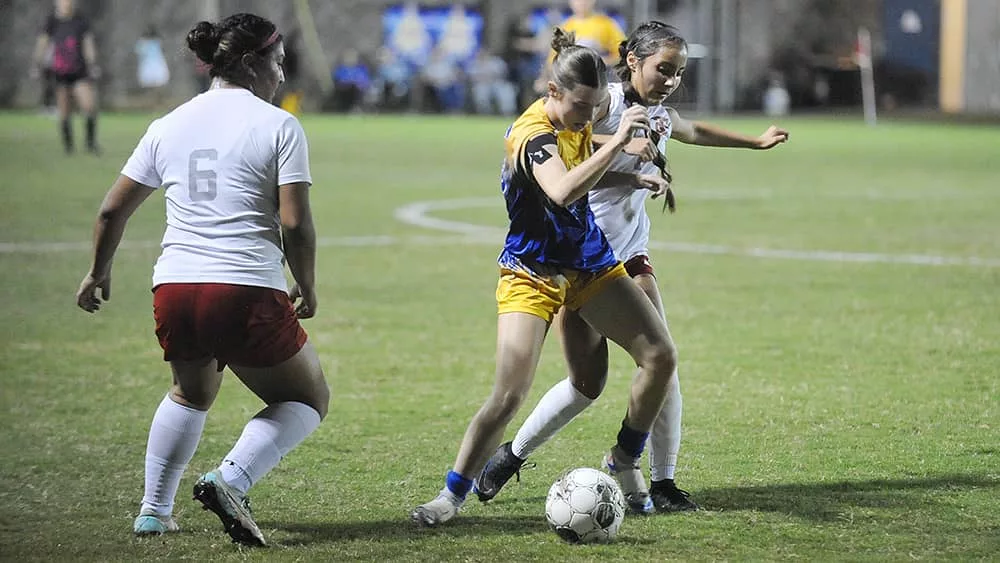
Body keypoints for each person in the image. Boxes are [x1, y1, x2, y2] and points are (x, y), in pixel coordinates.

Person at [475, 21, 790, 513]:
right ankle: (512, 455)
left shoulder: (660, 114)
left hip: (629, 256)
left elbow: (692, 130)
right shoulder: (603, 105)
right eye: (663, 69)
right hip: (582, 258)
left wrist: (753, 141)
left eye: (679, 73)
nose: (670, 81)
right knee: (585, 385)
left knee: (663, 361)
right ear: (634, 61)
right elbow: (569, 163)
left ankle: (656, 477)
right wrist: (624, 155)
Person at [74, 13, 329, 547]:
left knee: (190, 394)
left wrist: (99, 271)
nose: (282, 76)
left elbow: (109, 212)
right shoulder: (278, 124)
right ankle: (231, 480)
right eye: (278, 64)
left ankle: (153, 510)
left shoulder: (168, 125)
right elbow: (295, 223)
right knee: (307, 401)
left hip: (174, 289)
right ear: (252, 64)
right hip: (243, 286)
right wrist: (306, 282)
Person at [410, 28, 676, 527]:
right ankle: (451, 495)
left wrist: (628, 175)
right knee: (510, 394)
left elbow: (583, 162)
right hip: (531, 272)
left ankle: (624, 460)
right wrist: (618, 141)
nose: (589, 117)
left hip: (588, 262)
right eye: (581, 107)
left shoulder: (577, 114)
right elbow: (560, 190)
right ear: (552, 92)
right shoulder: (531, 137)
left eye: (597, 108)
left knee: (658, 356)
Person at [32, 0, 101, 154]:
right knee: (64, 110)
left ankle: (90, 144)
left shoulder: (80, 21)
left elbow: (87, 43)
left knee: (89, 106)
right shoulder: (52, 21)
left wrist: (92, 64)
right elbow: (43, 42)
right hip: (60, 71)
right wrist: (38, 63)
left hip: (79, 70)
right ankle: (68, 147)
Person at [135, 25, 170, 108]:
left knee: (158, 83)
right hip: (148, 64)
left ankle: (157, 101)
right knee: (149, 83)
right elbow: (139, 51)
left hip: (156, 63)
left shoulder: (157, 42)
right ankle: (150, 101)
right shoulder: (143, 42)